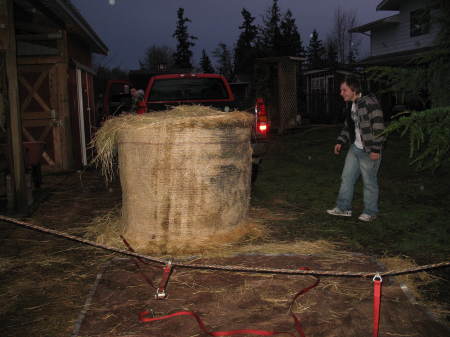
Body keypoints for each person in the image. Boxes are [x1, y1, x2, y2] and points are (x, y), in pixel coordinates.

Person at [326, 76, 385, 222]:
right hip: (355, 148)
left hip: (369, 149)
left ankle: (371, 212)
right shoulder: (351, 104)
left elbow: (379, 127)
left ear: (354, 90)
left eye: (344, 90)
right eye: (341, 90)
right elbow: (349, 126)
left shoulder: (370, 103)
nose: (341, 93)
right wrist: (341, 141)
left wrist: (376, 150)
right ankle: (343, 208)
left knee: (369, 182)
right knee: (347, 177)